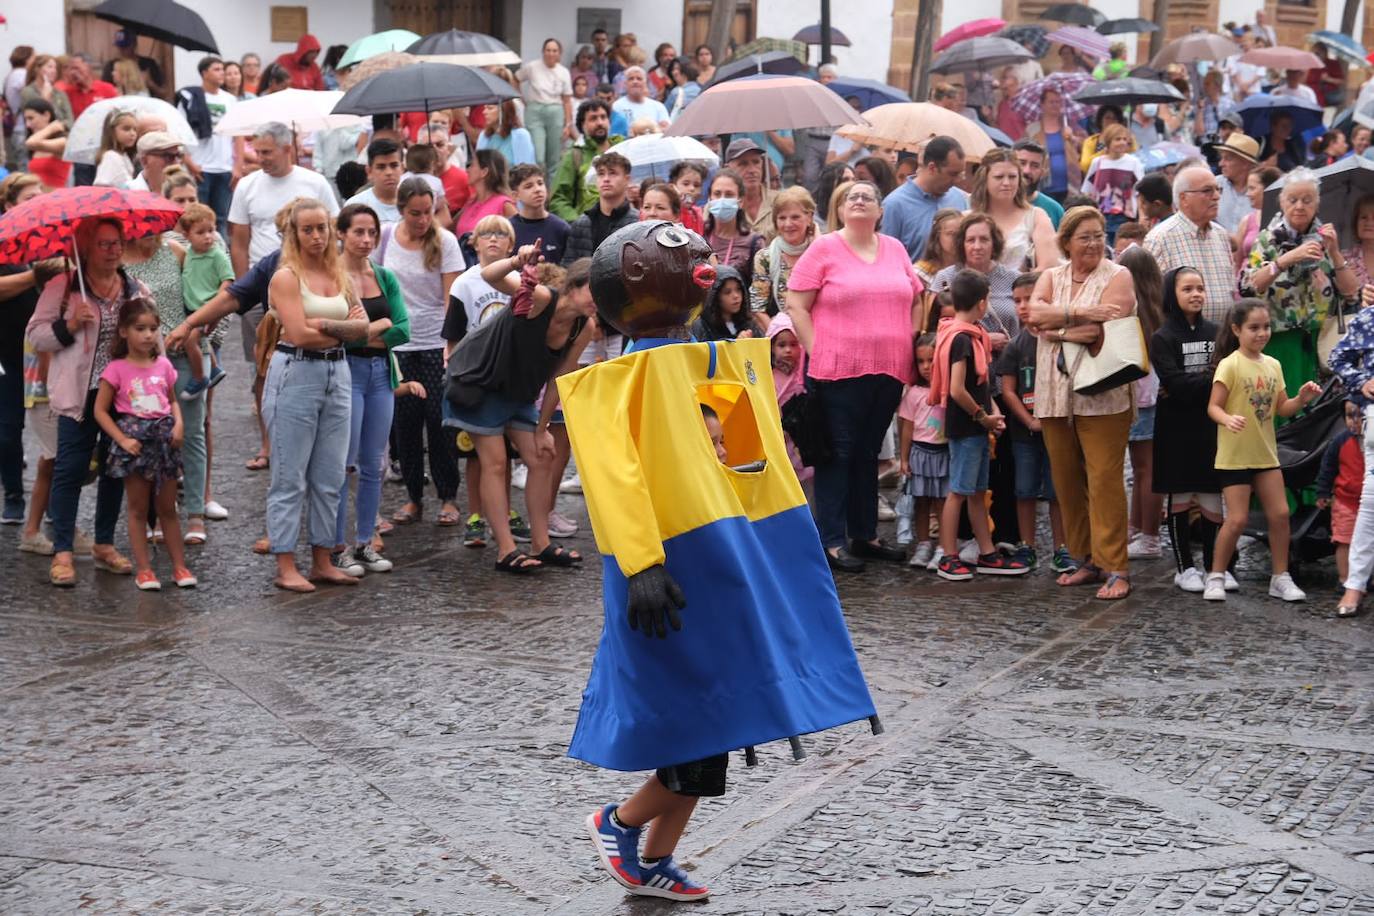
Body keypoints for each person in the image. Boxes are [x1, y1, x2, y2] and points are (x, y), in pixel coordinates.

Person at [786, 180, 925, 573]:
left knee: (868, 453)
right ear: (840, 209)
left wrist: (909, 336)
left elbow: (916, 298)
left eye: (868, 196)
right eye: (852, 196)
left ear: (880, 210)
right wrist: (818, 348)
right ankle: (831, 541)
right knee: (838, 456)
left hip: (889, 370)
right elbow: (796, 304)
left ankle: (865, 535)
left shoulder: (895, 248)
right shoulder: (824, 248)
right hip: (837, 372)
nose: (860, 200)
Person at [449, 246, 595, 571]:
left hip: (517, 393)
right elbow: (490, 275)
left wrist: (542, 429)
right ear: (574, 285)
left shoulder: (583, 327)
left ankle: (541, 543)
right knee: (496, 462)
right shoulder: (542, 298)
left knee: (543, 456)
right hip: (480, 380)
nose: (599, 299)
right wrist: (517, 261)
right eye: (593, 290)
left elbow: (558, 380)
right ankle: (506, 550)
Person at [26, 218, 150, 586]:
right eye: (104, 244)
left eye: (117, 243)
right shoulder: (63, 288)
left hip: (122, 396)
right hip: (79, 394)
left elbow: (150, 331)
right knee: (69, 469)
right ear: (85, 249)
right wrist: (69, 326)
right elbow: (36, 335)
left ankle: (104, 544)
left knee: (114, 470)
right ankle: (63, 550)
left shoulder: (134, 288)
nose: (113, 251)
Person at [262, 198, 374, 591]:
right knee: (289, 476)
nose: (316, 236)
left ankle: (323, 560)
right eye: (307, 229)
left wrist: (322, 324)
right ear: (294, 234)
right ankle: (285, 563)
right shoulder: (286, 277)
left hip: (337, 371)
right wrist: (341, 327)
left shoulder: (339, 274)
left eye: (321, 228)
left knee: (331, 474)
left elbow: (365, 329)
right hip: (297, 372)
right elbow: (297, 334)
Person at [1026, 207, 1138, 600]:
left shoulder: (1118, 275)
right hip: (1055, 394)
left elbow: (1099, 330)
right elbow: (1033, 313)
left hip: (1103, 394)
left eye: (1098, 235)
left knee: (1105, 479)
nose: (1093, 243)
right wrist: (1080, 313)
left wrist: (1055, 329)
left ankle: (1117, 566)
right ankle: (1086, 559)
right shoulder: (1050, 276)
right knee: (1067, 480)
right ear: (1067, 241)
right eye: (1084, 236)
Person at [227, 122, 338, 470]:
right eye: (257, 152)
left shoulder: (314, 183)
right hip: (262, 287)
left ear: (288, 148)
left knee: (308, 360)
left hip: (309, 287)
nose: (260, 158)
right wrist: (245, 285)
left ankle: (312, 441)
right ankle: (268, 444)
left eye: (266, 152)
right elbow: (239, 241)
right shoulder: (247, 186)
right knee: (263, 368)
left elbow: (332, 232)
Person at [1206, 299, 1322, 602]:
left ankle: (1280, 576)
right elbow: (1213, 406)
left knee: (1281, 514)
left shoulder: (1273, 365)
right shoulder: (1230, 364)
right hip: (1235, 457)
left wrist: (1301, 398)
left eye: (1266, 327)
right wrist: (1227, 419)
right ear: (1236, 330)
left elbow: (1282, 408)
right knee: (1237, 519)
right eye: (1254, 327)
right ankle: (1216, 575)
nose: (1262, 333)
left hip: (1265, 455)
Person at [926, 269, 1030, 580]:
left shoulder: (967, 333)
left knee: (977, 491)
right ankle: (948, 555)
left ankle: (987, 552)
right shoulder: (962, 339)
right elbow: (957, 389)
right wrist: (982, 416)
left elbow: (980, 387)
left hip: (977, 426)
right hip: (967, 427)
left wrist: (992, 413)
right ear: (982, 303)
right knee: (959, 491)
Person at [91, 297, 193, 590]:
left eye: (152, 329)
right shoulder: (116, 369)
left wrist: (179, 423)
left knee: (168, 508)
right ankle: (144, 569)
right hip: (135, 445)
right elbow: (100, 411)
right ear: (124, 331)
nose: (148, 335)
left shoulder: (163, 365)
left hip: (165, 443)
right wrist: (122, 439)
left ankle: (180, 566)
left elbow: (172, 401)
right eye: (140, 329)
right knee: (137, 508)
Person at [379, 178, 465, 527]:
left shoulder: (445, 242)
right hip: (399, 345)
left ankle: (448, 496)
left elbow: (451, 301)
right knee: (405, 425)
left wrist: (450, 347)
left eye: (428, 212)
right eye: (415, 213)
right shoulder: (385, 237)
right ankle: (413, 496)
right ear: (401, 210)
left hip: (434, 343)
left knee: (440, 423)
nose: (422, 219)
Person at [331, 203, 409, 576]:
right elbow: (335, 335)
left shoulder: (384, 276)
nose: (366, 240)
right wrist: (379, 328)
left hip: (380, 373)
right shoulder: (332, 276)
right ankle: (336, 547)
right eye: (358, 232)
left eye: (372, 233)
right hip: (346, 372)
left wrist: (363, 332)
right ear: (341, 233)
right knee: (342, 463)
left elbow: (403, 329)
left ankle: (364, 542)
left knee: (373, 463)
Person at [1242, 167, 1360, 395]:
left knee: (1316, 403)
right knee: (1284, 402)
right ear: (1282, 202)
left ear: (1317, 203)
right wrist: (1286, 259)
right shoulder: (1267, 239)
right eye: (1293, 200)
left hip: (1320, 337)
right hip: (1280, 338)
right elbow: (1250, 286)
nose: (1299, 206)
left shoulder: (1324, 237)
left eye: (1307, 200)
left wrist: (1335, 252)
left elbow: (1351, 292)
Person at [1151, 266, 1231, 592]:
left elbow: (1226, 375)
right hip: (1175, 428)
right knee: (1181, 494)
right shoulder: (1162, 337)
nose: (1196, 294)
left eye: (1200, 288)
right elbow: (1174, 383)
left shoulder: (1217, 332)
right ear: (1172, 294)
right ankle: (1184, 568)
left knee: (1212, 494)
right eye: (1187, 289)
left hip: (1210, 425)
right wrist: (1210, 379)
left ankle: (1215, 566)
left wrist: (1192, 383)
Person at [996, 271, 1071, 572]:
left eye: (1029, 299)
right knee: (1024, 489)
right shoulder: (1016, 345)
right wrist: (1028, 421)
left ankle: (1062, 547)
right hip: (1024, 434)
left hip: (1057, 429)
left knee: (1058, 491)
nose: (1023, 306)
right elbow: (1008, 390)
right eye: (1017, 301)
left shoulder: (1060, 339)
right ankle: (1027, 545)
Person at [1116, 246, 1165, 560]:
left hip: (1140, 397)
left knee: (1145, 469)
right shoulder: (1159, 310)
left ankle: (1150, 537)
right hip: (1150, 395)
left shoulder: (1132, 311)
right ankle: (1137, 527)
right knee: (1142, 467)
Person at [1144, 166, 1236, 324]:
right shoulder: (1160, 238)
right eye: (1207, 191)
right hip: (1182, 336)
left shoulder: (1221, 235)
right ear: (1184, 198)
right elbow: (1151, 299)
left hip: (1222, 333)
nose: (1216, 196)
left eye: (1218, 189)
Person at [1329, 298, 1374, 616]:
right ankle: (1354, 585)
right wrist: (1362, 382)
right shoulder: (1370, 318)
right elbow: (1338, 357)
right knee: (1371, 503)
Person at [930, 213, 1019, 349]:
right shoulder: (945, 278)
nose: (977, 246)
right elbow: (932, 333)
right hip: (964, 359)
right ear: (962, 244)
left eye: (984, 240)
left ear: (994, 243)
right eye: (971, 240)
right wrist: (983, 340)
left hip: (1009, 359)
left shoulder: (1014, 279)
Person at [175, 202, 234, 401]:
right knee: (201, 340)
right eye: (200, 232)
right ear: (186, 235)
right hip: (192, 307)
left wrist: (217, 304)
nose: (208, 236)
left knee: (190, 340)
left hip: (208, 308)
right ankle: (214, 369)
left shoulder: (217, 255)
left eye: (211, 230)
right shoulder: (189, 253)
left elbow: (228, 280)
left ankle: (200, 377)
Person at [896, 332, 945, 565]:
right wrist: (904, 459)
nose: (926, 367)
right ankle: (923, 544)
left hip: (943, 453)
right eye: (920, 361)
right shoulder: (914, 393)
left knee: (942, 502)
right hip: (919, 453)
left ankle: (944, 546)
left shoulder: (947, 392)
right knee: (922, 501)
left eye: (931, 360)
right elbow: (907, 428)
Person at [176, 56, 238, 233]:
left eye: (222, 69)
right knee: (197, 217)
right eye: (217, 69)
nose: (222, 73)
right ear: (204, 73)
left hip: (224, 168)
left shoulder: (230, 100)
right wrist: (189, 163)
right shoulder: (190, 98)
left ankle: (221, 249)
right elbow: (180, 132)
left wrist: (238, 165)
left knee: (221, 218)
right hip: (200, 167)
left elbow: (238, 134)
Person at [969, 148, 1057, 270]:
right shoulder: (967, 218)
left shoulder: (1036, 217)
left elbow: (1049, 265)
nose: (1006, 183)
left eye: (1012, 177)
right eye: (999, 177)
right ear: (985, 179)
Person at [883, 136, 969, 260]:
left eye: (960, 174)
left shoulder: (960, 198)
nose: (957, 180)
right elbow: (886, 258)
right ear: (932, 168)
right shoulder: (894, 205)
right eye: (952, 174)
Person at [1316, 400, 1364, 589]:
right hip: (1346, 501)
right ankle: (1344, 579)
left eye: (1361, 415)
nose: (1355, 420)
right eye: (1349, 416)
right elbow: (1327, 468)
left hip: (1368, 502)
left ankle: (1367, 578)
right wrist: (1323, 492)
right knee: (1344, 541)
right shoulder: (1340, 441)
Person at [749, 186, 816, 321]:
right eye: (782, 218)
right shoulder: (765, 257)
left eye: (795, 217)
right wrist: (778, 331)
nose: (788, 224)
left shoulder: (821, 252)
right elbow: (758, 308)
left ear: (809, 218)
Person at [550, 99, 622, 221]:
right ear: (582, 125)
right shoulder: (574, 156)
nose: (600, 122)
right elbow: (558, 199)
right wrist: (579, 223)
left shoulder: (621, 149)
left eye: (603, 117)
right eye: (593, 119)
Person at [563, 151, 638, 264]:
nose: (606, 179)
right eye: (601, 174)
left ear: (627, 179)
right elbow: (568, 266)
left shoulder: (637, 223)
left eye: (612, 173)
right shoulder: (581, 223)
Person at [516, 38, 574, 175]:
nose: (551, 53)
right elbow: (516, 78)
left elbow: (567, 100)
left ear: (559, 53)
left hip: (555, 111)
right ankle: (537, 183)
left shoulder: (564, 72)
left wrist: (568, 124)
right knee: (538, 156)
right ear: (543, 51)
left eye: (554, 51)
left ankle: (552, 187)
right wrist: (521, 98)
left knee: (554, 157)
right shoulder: (532, 67)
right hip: (535, 111)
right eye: (548, 50)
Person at [698, 168, 762, 287]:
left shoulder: (754, 243)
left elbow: (760, 289)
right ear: (710, 199)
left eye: (729, 195)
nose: (722, 199)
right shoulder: (699, 238)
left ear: (740, 201)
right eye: (717, 194)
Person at [1080, 124, 1143, 244]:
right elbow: (1087, 190)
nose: (1122, 142)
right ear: (1109, 141)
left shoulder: (1133, 162)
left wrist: (1142, 216)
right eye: (1117, 139)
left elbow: (1140, 192)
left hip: (1125, 216)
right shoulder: (1098, 162)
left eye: (1124, 139)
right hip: (1100, 215)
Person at [1024, 88, 1082, 203]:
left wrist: (1073, 138)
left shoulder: (1070, 125)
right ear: (1042, 104)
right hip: (1043, 184)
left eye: (1058, 102)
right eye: (1051, 102)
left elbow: (1085, 146)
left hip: (1070, 184)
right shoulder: (1032, 129)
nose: (1056, 105)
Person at [509, 163, 571, 266]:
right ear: (515, 195)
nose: (537, 189)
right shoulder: (509, 229)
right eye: (529, 186)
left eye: (540, 183)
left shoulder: (561, 229)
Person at [456, 149, 519, 241]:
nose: (468, 170)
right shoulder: (471, 202)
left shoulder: (504, 204)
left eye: (472, 165)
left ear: (484, 172)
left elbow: (519, 234)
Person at [723, 138, 779, 241]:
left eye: (756, 162)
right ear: (728, 169)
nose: (752, 170)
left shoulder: (780, 201)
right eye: (743, 164)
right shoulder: (719, 206)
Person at [689, 266, 761, 341]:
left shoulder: (749, 324)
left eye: (738, 289)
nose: (736, 296)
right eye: (727, 292)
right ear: (715, 297)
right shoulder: (702, 327)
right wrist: (737, 344)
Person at [345, 137, 406, 224]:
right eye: (381, 167)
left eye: (394, 165)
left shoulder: (413, 203)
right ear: (369, 171)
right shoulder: (355, 206)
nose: (388, 172)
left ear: (402, 168)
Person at [1233, 165, 1281, 272]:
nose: (1247, 194)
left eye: (1252, 188)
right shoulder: (1247, 221)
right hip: (1246, 279)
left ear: (1269, 189)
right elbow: (1236, 262)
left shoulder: (1286, 221)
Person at [1013, 139, 1065, 229]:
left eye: (1035, 166)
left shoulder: (1054, 210)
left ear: (1043, 172)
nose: (1027, 171)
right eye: (1022, 163)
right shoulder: (995, 205)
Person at [1214, 133, 1259, 234]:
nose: (1221, 164)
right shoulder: (1214, 185)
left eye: (1227, 159)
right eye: (1221, 158)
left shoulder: (1261, 193)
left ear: (1245, 163)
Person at [21, 98, 70, 190]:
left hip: (56, 195)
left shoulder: (62, 141)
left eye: (31, 118)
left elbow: (30, 143)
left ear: (46, 115)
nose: (28, 124)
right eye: (26, 120)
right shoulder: (36, 143)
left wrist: (51, 128)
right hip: (38, 195)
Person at [102, 31, 167, 99]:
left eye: (125, 46)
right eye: (119, 46)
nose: (121, 50)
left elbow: (164, 94)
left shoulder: (148, 64)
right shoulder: (111, 66)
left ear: (134, 44)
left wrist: (150, 83)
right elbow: (103, 94)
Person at [477, 100, 537, 168]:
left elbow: (527, 168)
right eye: (484, 108)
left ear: (503, 111)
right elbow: (479, 167)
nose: (484, 112)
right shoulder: (484, 136)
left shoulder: (521, 135)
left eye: (490, 108)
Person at [20, 54, 73, 130]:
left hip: (61, 134)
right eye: (50, 67)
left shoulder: (60, 93)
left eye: (55, 68)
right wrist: (45, 99)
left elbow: (70, 121)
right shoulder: (28, 92)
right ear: (37, 69)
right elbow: (36, 119)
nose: (54, 71)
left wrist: (59, 126)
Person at [914, 208, 961, 288]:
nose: (957, 239)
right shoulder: (920, 273)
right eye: (951, 233)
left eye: (960, 233)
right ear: (937, 236)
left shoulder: (969, 269)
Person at [612, 66, 669, 130]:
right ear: (625, 84)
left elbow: (666, 129)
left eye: (639, 79)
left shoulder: (659, 107)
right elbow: (615, 132)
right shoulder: (617, 106)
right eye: (631, 79)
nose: (635, 82)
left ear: (645, 83)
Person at [1077, 106, 1129, 175]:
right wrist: (1104, 152)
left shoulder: (1126, 139)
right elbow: (1085, 166)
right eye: (1107, 118)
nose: (1111, 121)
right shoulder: (1090, 141)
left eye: (1114, 118)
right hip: (1097, 178)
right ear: (1100, 120)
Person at [93, 108, 138, 188]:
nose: (132, 133)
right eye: (126, 129)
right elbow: (101, 185)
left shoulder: (124, 156)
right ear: (112, 131)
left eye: (135, 129)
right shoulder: (110, 156)